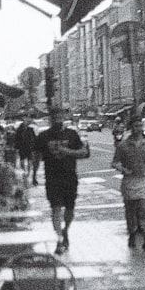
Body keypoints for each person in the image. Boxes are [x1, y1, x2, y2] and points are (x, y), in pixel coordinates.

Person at [34, 107, 90, 254]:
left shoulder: (71, 134)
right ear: (51, 118)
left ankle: (65, 230)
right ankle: (59, 239)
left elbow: (84, 152)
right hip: (53, 178)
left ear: (64, 118)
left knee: (70, 210)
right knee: (56, 208)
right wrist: (33, 174)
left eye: (60, 116)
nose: (58, 119)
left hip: (70, 177)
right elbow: (36, 155)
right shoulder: (43, 136)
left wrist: (68, 152)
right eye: (55, 117)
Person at [111, 115, 145, 251]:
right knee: (131, 211)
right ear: (131, 128)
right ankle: (132, 233)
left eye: (140, 126)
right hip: (130, 182)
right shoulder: (123, 145)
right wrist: (123, 169)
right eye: (136, 126)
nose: (139, 129)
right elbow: (115, 162)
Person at [15, 117, 37, 184]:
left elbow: (34, 138)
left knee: (29, 161)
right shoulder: (19, 130)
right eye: (24, 122)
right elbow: (17, 140)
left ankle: (28, 173)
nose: (25, 123)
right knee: (22, 161)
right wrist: (17, 148)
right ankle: (24, 172)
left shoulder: (31, 129)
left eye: (26, 122)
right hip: (22, 148)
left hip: (29, 148)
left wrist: (34, 146)